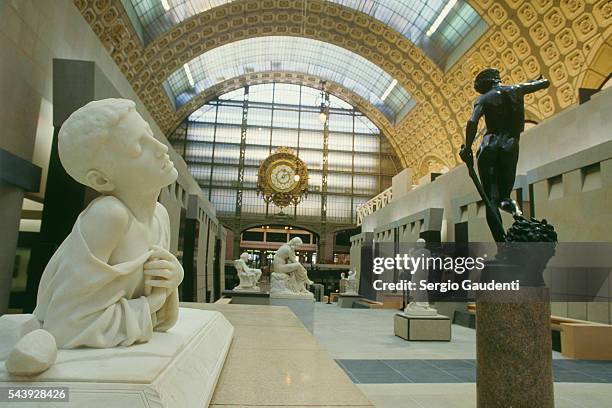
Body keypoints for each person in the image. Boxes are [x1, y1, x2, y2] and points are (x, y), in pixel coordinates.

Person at [33, 98, 184, 349]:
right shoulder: (109, 216)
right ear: (102, 180)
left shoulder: (159, 215)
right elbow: (64, 327)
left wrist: (172, 280)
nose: (160, 148)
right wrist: (153, 303)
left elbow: (159, 319)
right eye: (138, 146)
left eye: (150, 135)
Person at [460, 68, 549, 242]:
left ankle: (501, 244)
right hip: (510, 145)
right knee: (504, 197)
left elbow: (472, 121)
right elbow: (542, 83)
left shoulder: (484, 98)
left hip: (489, 145)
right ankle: (518, 215)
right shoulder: (516, 89)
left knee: (491, 199)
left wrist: (467, 147)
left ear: (488, 83)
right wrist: (538, 81)